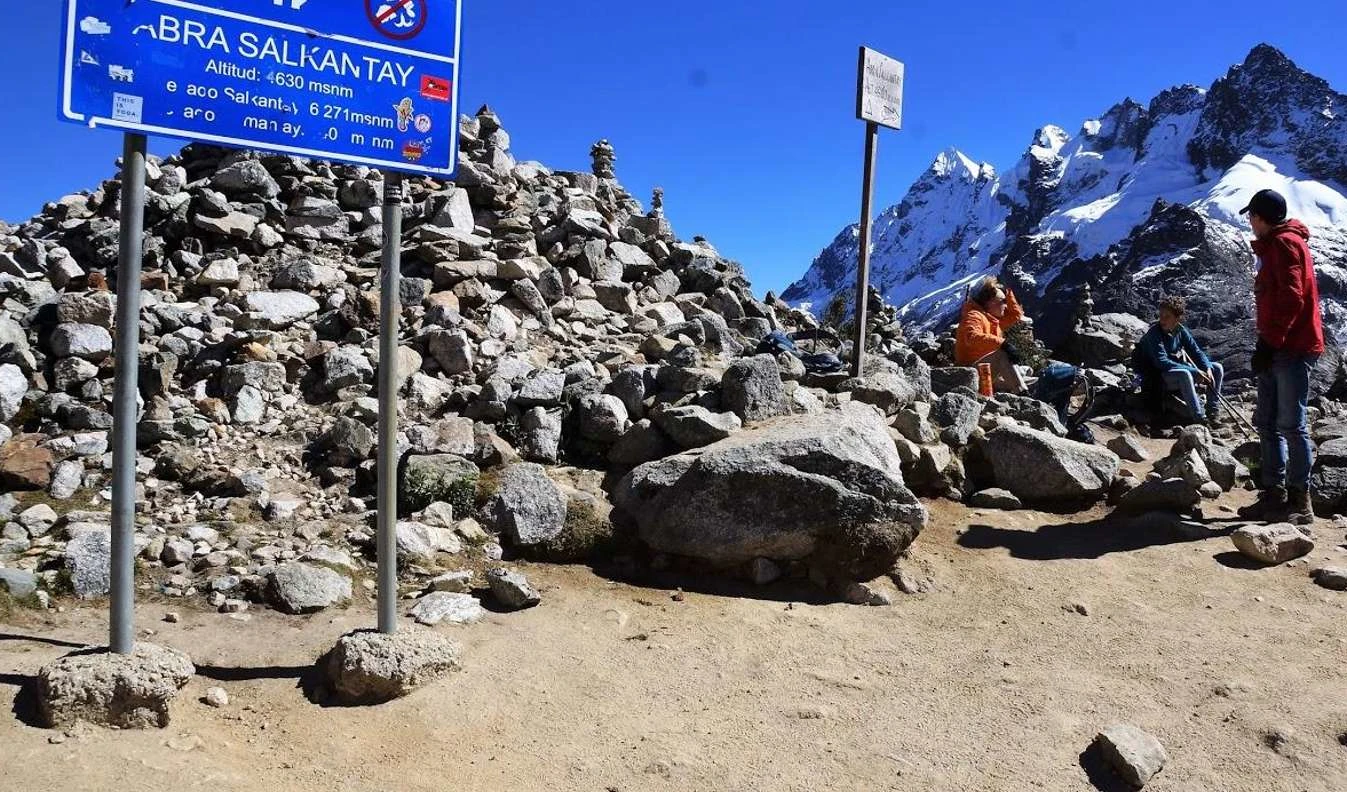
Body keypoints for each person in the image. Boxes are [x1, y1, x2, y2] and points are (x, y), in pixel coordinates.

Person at [1237, 188, 1324, 525]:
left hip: (1291, 347)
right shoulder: (1279, 244)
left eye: (1252, 216)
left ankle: (1300, 502)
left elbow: (1291, 298)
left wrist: (1269, 343)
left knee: (1290, 424)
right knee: (1268, 422)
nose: (1249, 222)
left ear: (1261, 217)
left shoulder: (1285, 244)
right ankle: (1275, 494)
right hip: (1279, 346)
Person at [1131, 296, 1224, 426]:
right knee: (1185, 375)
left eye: (1167, 316)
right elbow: (1161, 362)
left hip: (1170, 372)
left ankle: (1213, 411)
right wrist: (1194, 371)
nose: (1162, 319)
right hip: (1155, 377)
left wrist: (1207, 367)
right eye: (1161, 315)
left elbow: (1196, 351)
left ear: (1177, 318)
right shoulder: (1154, 334)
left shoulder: (1179, 330)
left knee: (1217, 368)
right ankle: (1199, 418)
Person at [955, 276, 1027, 393]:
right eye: (1003, 301)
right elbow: (971, 337)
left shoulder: (991, 319)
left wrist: (1007, 291)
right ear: (990, 302)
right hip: (969, 373)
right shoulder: (974, 316)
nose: (1006, 305)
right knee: (1001, 355)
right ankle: (1022, 393)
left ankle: (1028, 392)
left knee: (1028, 373)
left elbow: (1015, 315)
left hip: (987, 371)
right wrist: (1003, 344)